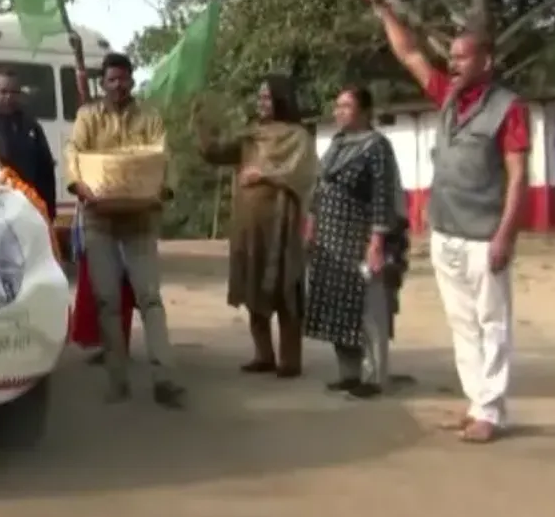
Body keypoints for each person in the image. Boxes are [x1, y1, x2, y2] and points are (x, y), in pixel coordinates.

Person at [364, 0, 528, 442]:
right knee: (462, 323)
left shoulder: (508, 108)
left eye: (461, 58)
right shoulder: (450, 98)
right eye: (451, 57)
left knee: (492, 323)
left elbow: (518, 177)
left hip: (484, 236)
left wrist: (505, 234)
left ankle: (491, 411)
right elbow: (410, 54)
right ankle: (477, 402)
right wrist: (383, 9)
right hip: (445, 231)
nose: (452, 64)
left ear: (485, 62)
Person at [65, 52, 182, 407]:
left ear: (132, 80)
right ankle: (117, 381)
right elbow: (74, 153)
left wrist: (162, 191)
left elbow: (165, 158)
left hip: (140, 218)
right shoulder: (88, 117)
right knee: (108, 301)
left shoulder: (150, 117)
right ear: (103, 83)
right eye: (111, 80)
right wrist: (78, 185)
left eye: (123, 79)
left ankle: (164, 379)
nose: (118, 85)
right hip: (99, 218)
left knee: (150, 298)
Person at [195, 76, 317, 379]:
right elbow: (215, 153)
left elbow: (303, 175)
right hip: (248, 226)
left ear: (281, 100)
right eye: (259, 97)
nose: (260, 103)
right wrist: (201, 122)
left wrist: (264, 175)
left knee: (286, 290)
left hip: (282, 224)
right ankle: (263, 354)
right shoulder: (251, 135)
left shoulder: (299, 137)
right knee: (252, 285)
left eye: (266, 98)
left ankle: (290, 360)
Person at [305, 85, 409, 399]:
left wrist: (376, 243)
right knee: (338, 309)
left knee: (368, 310)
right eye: (337, 106)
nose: (338, 112)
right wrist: (311, 226)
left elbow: (381, 197)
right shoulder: (337, 144)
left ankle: (374, 377)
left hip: (360, 238)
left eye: (346, 106)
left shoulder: (376, 147)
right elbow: (319, 189)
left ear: (364, 111)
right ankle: (348, 374)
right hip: (331, 239)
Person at [0, 70, 57, 221]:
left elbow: (46, 172)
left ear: (20, 95)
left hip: (28, 209)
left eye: (13, 92)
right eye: (3, 92)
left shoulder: (32, 128)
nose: (8, 97)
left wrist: (49, 212)